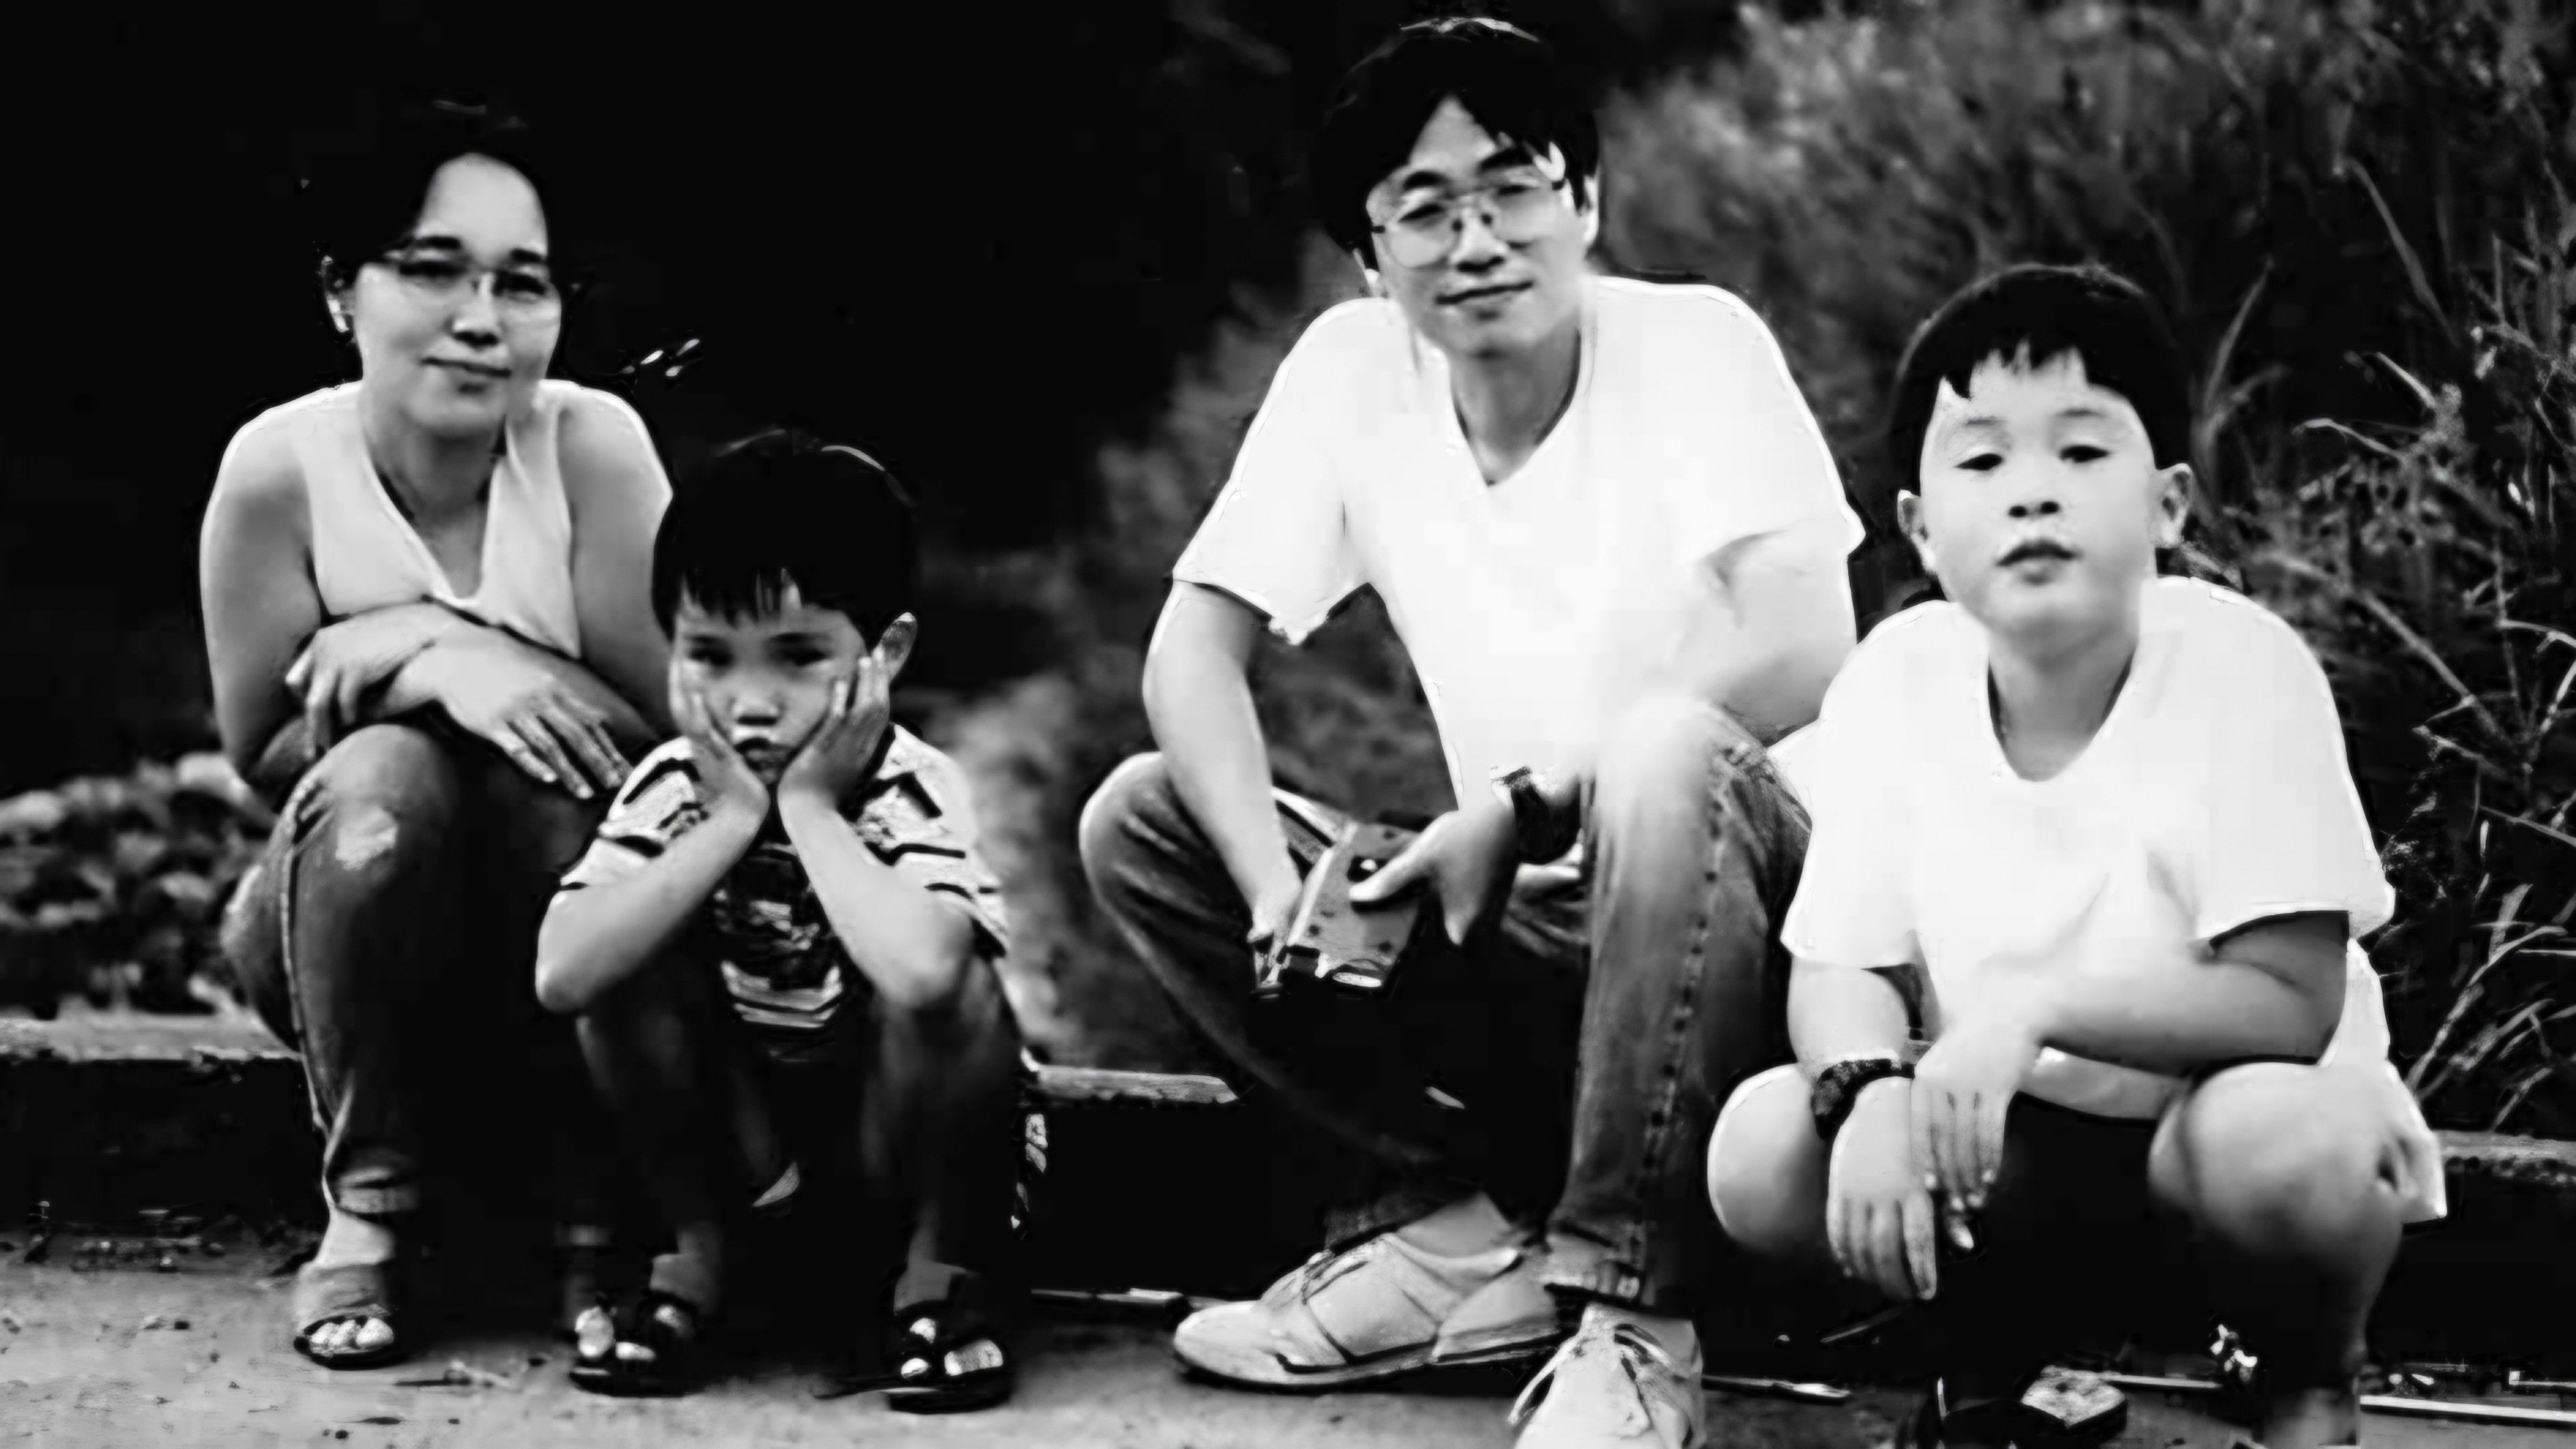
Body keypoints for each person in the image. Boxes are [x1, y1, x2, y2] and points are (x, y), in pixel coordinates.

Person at [1076, 18, 1863, 1447]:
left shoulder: (1691, 344)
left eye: (1512, 188)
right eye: (1425, 208)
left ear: (1586, 201)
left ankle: (1632, 1323)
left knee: (1662, 745)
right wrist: (1273, 894)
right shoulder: (1351, 370)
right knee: (1142, 818)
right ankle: (1454, 1233)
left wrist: (1521, 804)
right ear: (1370, 257)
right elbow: (1191, 654)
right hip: (1531, 929)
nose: (1478, 240)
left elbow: (1807, 638)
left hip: (1757, 934)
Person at [1706, 264, 2447, 1449]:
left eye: (2084, 452)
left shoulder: (2240, 671)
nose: (2033, 493)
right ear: (1921, 530)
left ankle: (2312, 1373)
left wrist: (2038, 1007)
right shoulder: (1903, 678)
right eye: (1984, 461)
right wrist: (1869, 1087)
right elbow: (1840, 963)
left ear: (2168, 506)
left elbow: (2291, 1001)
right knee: (1765, 1144)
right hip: (2020, 1150)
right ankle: (1992, 1360)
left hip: (2218, 1135)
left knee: (2279, 1145)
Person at [203, 103, 674, 1369]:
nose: (481, 318)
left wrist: (455, 647)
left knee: (557, 772)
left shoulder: (592, 450)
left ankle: (597, 1214)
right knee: (382, 775)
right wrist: (432, 684)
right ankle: (369, 1206)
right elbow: (264, 752)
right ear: (339, 292)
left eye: (522, 284)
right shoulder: (280, 470)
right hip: (352, 931)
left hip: (569, 927)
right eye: (431, 269)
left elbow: (671, 750)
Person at [534, 432, 1025, 1410]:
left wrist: (807, 809)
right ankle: (698, 1255)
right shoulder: (680, 787)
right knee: (624, 957)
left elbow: (928, 978)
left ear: (884, 656)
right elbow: (563, 975)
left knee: (961, 985)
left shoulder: (908, 787)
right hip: (747, 1143)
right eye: (710, 658)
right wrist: (728, 822)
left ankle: (940, 1278)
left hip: (891, 1143)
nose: (751, 705)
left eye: (799, 658)